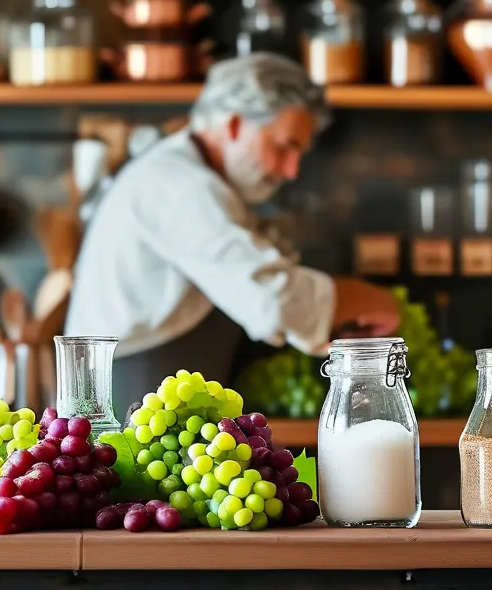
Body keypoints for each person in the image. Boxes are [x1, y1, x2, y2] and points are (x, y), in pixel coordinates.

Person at [65, 53, 400, 418]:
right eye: (284, 147)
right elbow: (270, 298)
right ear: (236, 125)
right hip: (130, 400)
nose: (291, 171)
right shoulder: (181, 186)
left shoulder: (187, 178)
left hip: (158, 394)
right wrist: (366, 299)